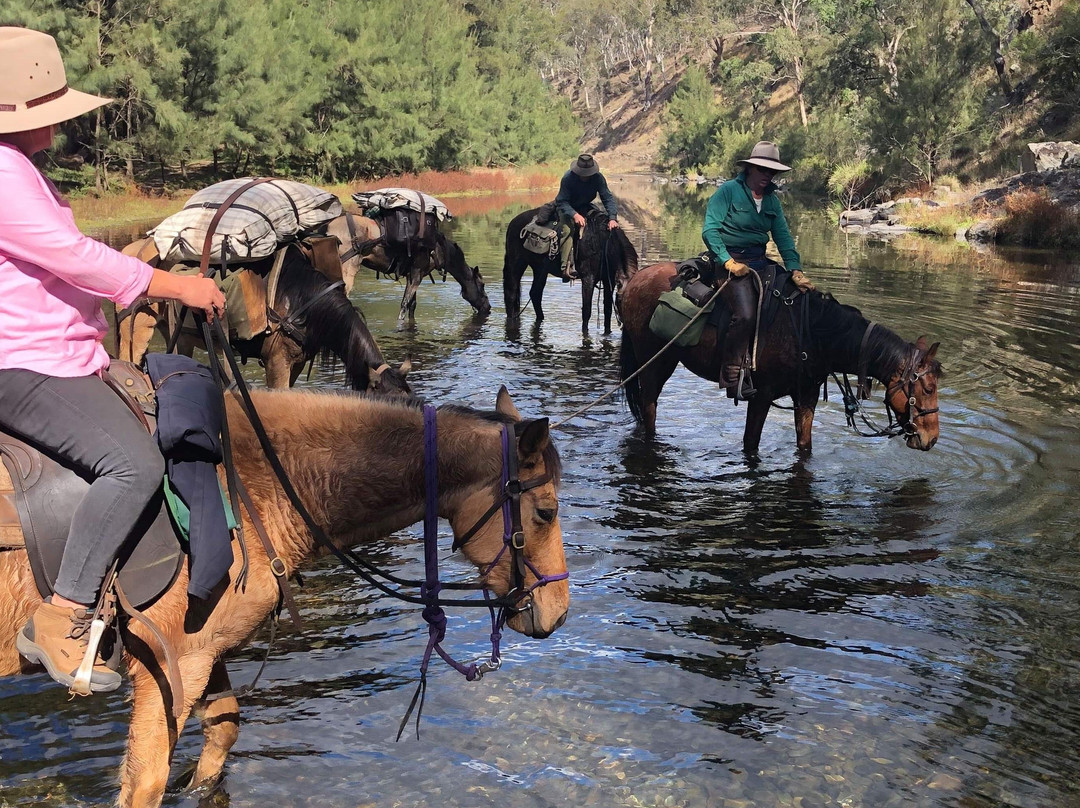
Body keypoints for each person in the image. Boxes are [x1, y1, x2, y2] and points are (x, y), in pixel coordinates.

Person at [0, 26, 226, 693]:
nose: (57, 125)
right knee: (132, 465)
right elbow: (71, 256)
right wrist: (172, 284)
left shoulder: (20, 168)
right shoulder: (4, 174)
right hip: (23, 362)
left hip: (56, 351)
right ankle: (63, 617)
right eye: (47, 109)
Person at [701, 140, 814, 401]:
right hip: (728, 263)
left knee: (793, 306)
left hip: (761, 262)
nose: (767, 176)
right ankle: (731, 375)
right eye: (763, 170)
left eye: (771, 172)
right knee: (745, 314)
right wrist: (727, 261)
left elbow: (783, 238)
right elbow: (710, 230)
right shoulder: (728, 191)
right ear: (750, 169)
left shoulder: (772, 201)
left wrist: (795, 270)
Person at [552, 153, 620, 280]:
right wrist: (574, 215)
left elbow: (607, 197)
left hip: (586, 206)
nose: (586, 176)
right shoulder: (568, 178)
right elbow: (562, 201)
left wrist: (612, 218)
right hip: (567, 207)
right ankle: (565, 267)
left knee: (602, 225)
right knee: (567, 230)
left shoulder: (598, 178)